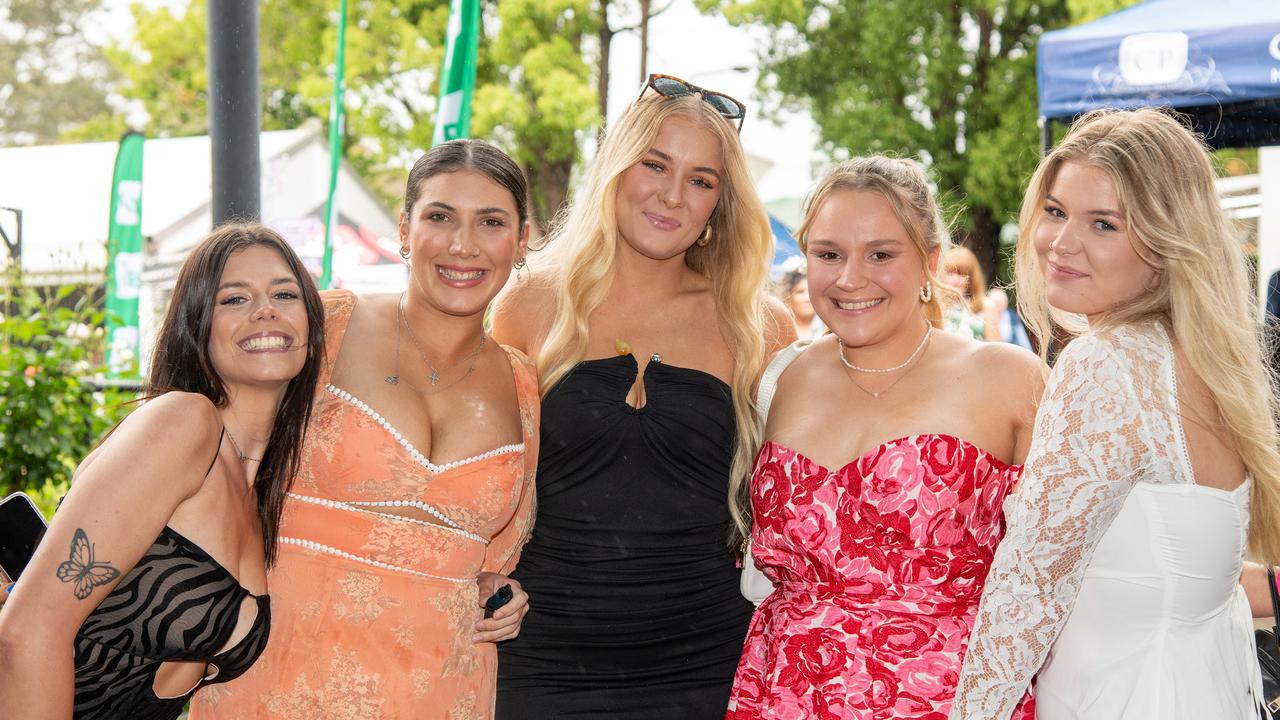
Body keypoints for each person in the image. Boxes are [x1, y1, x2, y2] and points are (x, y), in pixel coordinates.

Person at [949, 108, 1280, 719]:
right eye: (1055, 211)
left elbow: (1029, 590)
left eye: (1104, 223)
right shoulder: (1206, 357)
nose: (1061, 243)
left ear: (1166, 238)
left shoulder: (1109, 364)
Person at [190, 140, 537, 719]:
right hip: (279, 675)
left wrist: (495, 592)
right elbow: (190, 436)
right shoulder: (321, 324)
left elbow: (493, 557)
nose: (463, 245)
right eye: (440, 216)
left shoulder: (524, 385)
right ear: (405, 228)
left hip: (441, 686)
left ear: (522, 241)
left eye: (492, 222)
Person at [491, 74, 794, 717]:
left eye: (702, 180)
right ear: (616, 167)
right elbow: (481, 478)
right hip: (539, 655)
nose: (672, 195)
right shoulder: (531, 306)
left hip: (704, 663)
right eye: (655, 164)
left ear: (720, 203)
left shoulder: (758, 327)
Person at [725, 156, 1043, 719]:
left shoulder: (1009, 378)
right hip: (784, 692)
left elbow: (1061, 570)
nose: (850, 278)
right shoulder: (778, 378)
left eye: (880, 254)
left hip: (951, 700)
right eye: (828, 255)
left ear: (931, 263)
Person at [0, 223, 325, 719]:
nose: (266, 309)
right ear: (196, 324)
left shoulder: (260, 490)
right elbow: (27, 631)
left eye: (285, 293)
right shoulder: (184, 423)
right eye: (234, 299)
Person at [939, 245, 1000, 341]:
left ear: (972, 279)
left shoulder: (985, 306)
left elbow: (997, 349)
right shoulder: (935, 306)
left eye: (961, 274)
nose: (954, 280)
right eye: (950, 273)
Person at [777, 266, 825, 340]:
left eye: (811, 292)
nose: (807, 298)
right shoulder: (778, 329)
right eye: (800, 292)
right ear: (788, 296)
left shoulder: (829, 328)